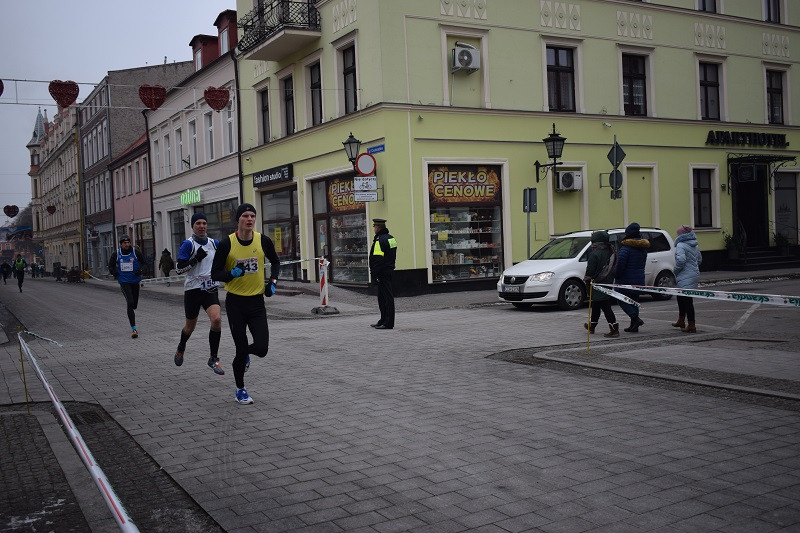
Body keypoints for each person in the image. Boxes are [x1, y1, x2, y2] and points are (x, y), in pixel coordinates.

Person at [211, 203, 280, 405]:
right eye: (245, 216)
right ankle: (240, 389)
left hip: (257, 302)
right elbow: (215, 273)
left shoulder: (262, 240)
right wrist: (229, 275)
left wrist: (272, 282)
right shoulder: (227, 244)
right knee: (240, 349)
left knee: (262, 348)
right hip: (235, 304)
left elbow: (275, 263)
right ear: (238, 220)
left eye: (252, 216)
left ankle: (245, 354)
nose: (249, 219)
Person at [174, 213, 224, 375]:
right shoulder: (188, 245)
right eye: (198, 224)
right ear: (193, 226)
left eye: (204, 223)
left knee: (216, 320)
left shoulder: (214, 243)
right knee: (190, 327)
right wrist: (195, 259)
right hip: (193, 290)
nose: (202, 226)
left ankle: (213, 358)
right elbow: (179, 269)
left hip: (209, 289)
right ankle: (181, 347)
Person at [583, 230, 619, 337]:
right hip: (607, 282)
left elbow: (590, 271)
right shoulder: (611, 251)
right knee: (596, 305)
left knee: (605, 306)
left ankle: (614, 328)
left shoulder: (594, 254)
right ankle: (592, 325)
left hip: (596, 283)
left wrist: (587, 280)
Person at [614, 222, 649, 333]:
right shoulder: (643, 248)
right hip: (638, 278)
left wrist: (616, 275)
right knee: (634, 301)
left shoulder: (625, 249)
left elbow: (620, 266)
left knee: (621, 299)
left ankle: (635, 319)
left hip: (626, 280)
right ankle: (634, 326)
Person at [108, 235, 145, 338]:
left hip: (135, 281)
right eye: (125, 243)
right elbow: (110, 266)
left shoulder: (135, 252)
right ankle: (134, 329)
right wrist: (115, 273)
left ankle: (132, 309)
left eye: (128, 242)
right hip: (124, 281)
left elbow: (144, 263)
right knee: (130, 302)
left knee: (134, 305)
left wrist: (140, 270)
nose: (127, 244)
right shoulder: (116, 253)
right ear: (121, 244)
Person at [369, 218, 398, 330]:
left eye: (374, 227)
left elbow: (377, 259)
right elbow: (392, 255)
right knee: (385, 297)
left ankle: (388, 322)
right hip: (389, 270)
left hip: (381, 272)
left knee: (385, 298)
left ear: (378, 228)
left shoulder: (379, 240)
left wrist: (374, 274)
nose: (374, 229)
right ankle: (383, 320)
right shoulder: (391, 238)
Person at [673, 224, 702, 333]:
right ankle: (681, 320)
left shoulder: (680, 245)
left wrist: (675, 270)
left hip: (685, 275)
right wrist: (693, 268)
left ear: (680, 235)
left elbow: (681, 260)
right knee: (681, 297)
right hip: (694, 273)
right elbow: (699, 260)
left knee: (687, 300)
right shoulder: (695, 244)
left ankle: (691, 325)